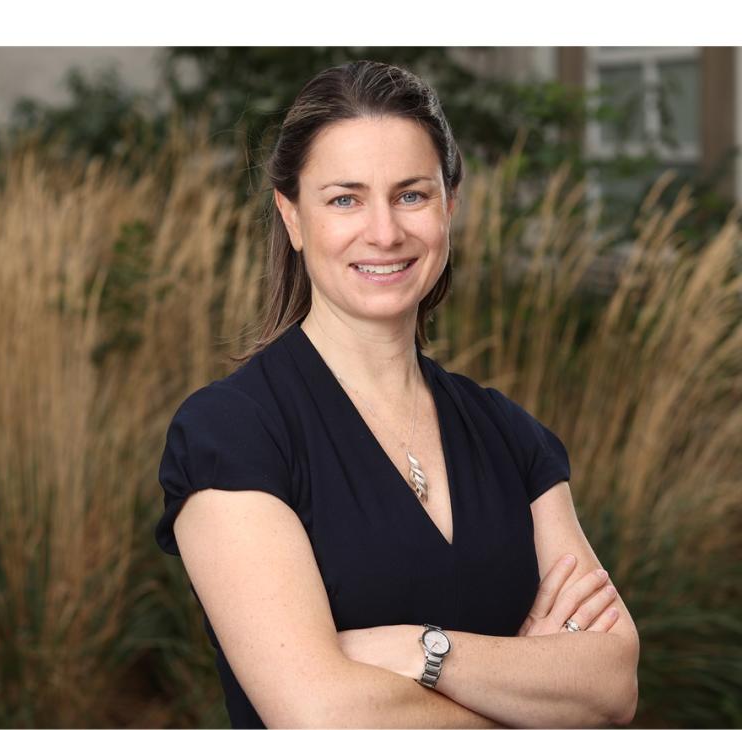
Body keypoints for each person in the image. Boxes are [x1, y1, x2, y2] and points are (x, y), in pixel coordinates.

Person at [155, 60, 640, 729]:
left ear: (450, 205)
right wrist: (529, 695)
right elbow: (317, 711)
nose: (384, 232)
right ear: (293, 218)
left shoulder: (508, 434)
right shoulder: (233, 433)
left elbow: (611, 681)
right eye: (345, 199)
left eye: (411, 195)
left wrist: (424, 652)